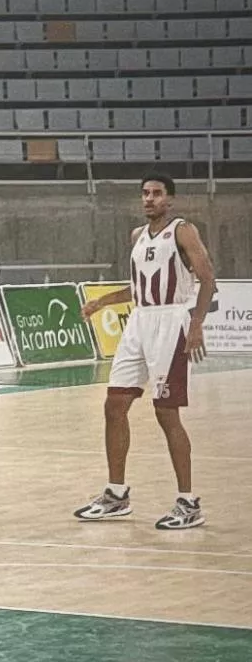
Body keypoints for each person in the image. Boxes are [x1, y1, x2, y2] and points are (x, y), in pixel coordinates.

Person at [74, 173, 217, 530]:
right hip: (140, 322)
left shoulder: (183, 230)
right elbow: (137, 288)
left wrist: (196, 323)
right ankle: (116, 494)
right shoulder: (137, 236)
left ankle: (188, 502)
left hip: (172, 322)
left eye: (156, 193)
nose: (149, 199)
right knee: (114, 405)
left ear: (169, 199)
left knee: (166, 414)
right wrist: (102, 302)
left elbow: (208, 277)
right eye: (145, 194)